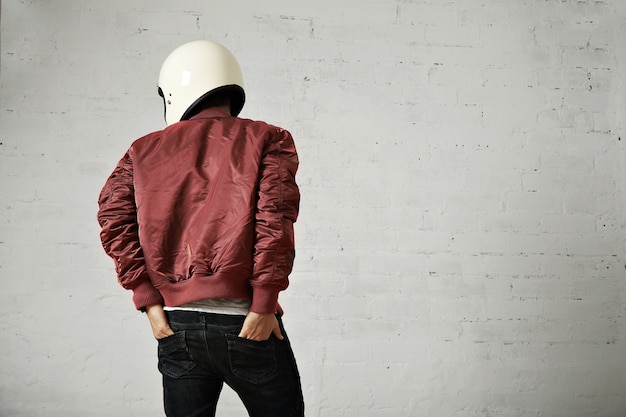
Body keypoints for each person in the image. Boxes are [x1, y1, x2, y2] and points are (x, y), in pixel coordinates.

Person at [97, 40, 304, 417]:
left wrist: (149, 300)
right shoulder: (269, 139)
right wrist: (264, 303)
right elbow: (274, 220)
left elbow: (113, 217)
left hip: (177, 324)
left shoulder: (141, 150)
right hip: (247, 321)